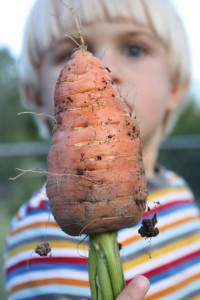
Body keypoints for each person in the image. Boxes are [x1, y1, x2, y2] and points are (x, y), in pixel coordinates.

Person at [4, 0, 200, 299]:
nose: (108, 67)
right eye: (68, 54)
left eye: (134, 49)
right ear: (34, 98)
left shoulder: (181, 195)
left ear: (175, 87)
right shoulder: (35, 239)